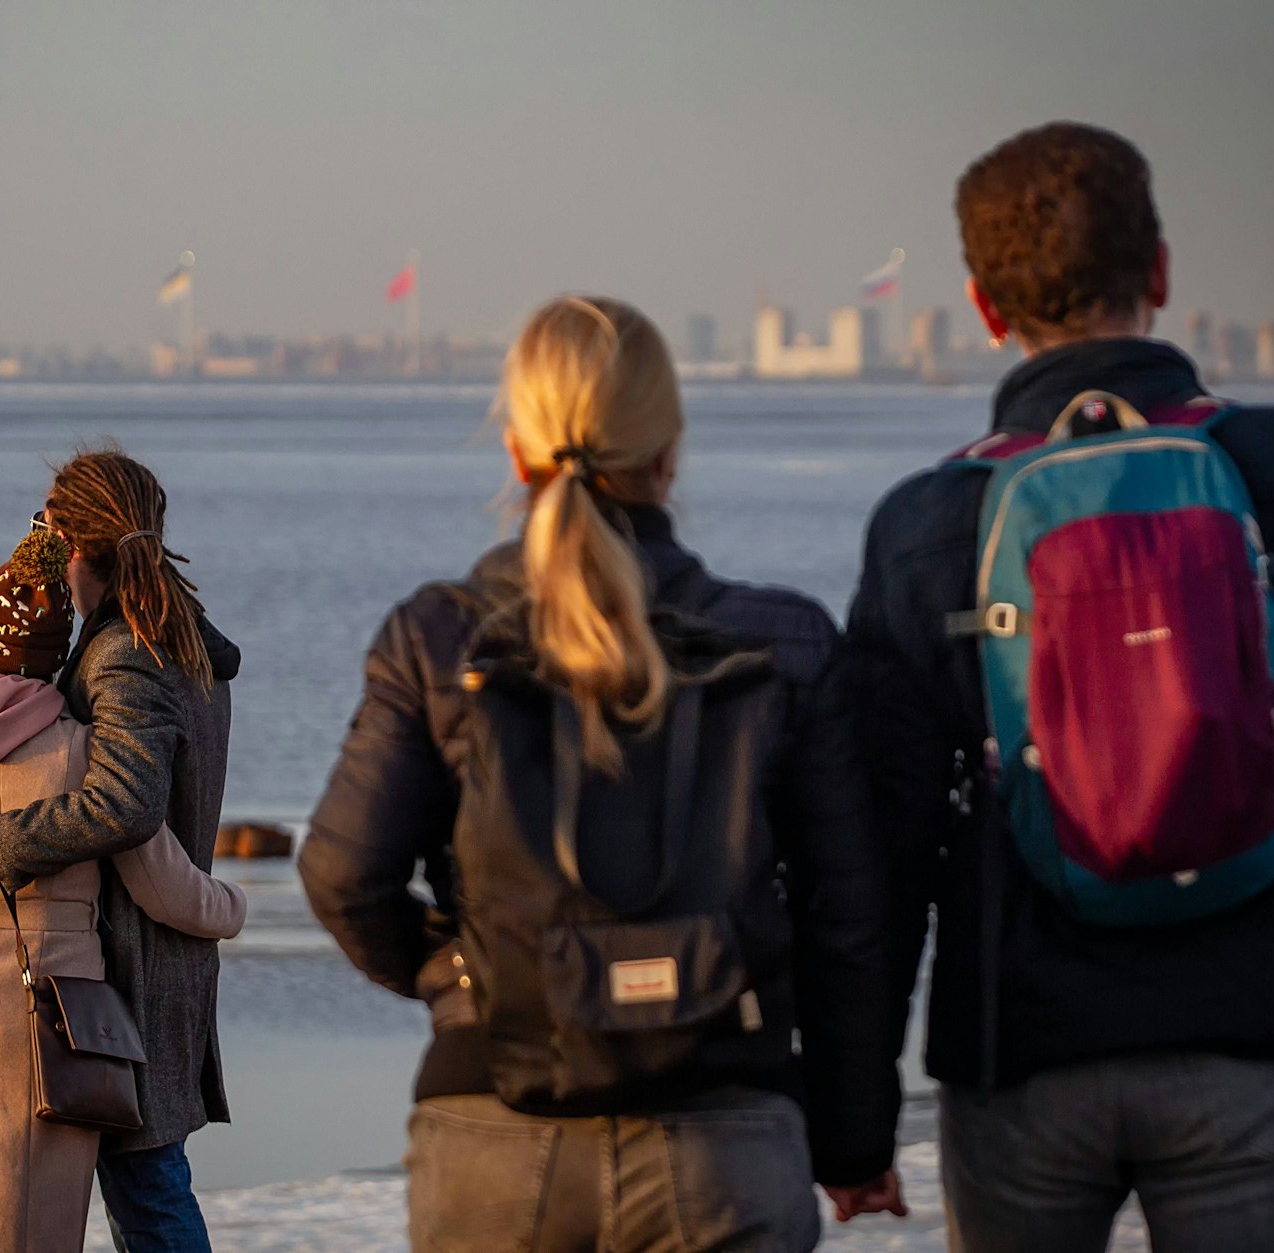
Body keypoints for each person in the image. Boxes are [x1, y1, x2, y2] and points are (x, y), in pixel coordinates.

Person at [847, 120, 1274, 1253]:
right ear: (1159, 271)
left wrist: (851, 1110)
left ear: (982, 305)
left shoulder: (927, 523)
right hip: (1251, 1027)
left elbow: (876, 849)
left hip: (1018, 1051)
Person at [300, 294, 905, 1252]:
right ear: (668, 454)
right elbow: (851, 921)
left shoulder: (439, 634)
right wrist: (855, 1136)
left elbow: (342, 874)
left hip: (492, 1128)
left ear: (517, 449)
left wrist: (467, 976)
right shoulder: (784, 641)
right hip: (725, 1136)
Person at [0, 530, 246, 1252]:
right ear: (55, 652)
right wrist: (236, 906)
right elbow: (166, 888)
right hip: (43, 1018)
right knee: (17, 1219)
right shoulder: (84, 753)